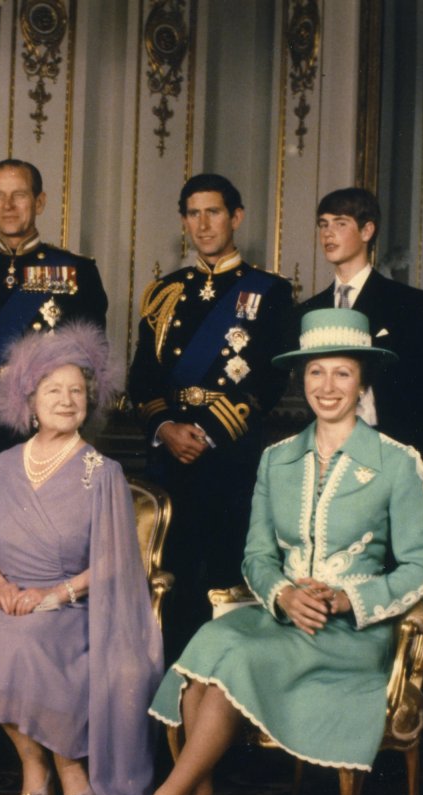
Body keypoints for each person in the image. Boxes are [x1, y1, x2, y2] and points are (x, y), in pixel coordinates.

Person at [113, 308, 423, 795]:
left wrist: (347, 599)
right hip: (281, 617)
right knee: (208, 647)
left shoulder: (397, 462)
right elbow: (257, 556)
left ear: (363, 381)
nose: (327, 386)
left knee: (231, 660)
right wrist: (284, 595)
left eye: (342, 373)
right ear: (301, 379)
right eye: (316, 372)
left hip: (351, 635)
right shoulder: (277, 459)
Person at [0, 323, 163, 795]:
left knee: (29, 645)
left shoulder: (104, 472)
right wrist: (0, 586)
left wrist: (55, 595)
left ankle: (67, 765)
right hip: (8, 602)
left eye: (77, 391)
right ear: (29, 400)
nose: (67, 401)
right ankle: (33, 762)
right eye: (54, 390)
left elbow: (115, 561)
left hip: (76, 607)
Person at [127, 172, 294, 656]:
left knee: (225, 579)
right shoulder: (165, 292)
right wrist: (165, 427)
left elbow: (270, 378)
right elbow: (143, 377)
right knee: (171, 579)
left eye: (213, 212)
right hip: (168, 460)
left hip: (229, 459)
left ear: (236, 217)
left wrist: (205, 432)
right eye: (193, 214)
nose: (202, 224)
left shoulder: (269, 291)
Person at [0, 159, 107, 494]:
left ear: (39, 202)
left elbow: (92, 362)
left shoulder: (76, 272)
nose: (8, 206)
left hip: (42, 423)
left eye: (19, 195)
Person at [299, 187, 423, 458]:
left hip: (391, 449)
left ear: (367, 231)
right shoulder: (309, 310)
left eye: (340, 224)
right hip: (325, 450)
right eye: (323, 224)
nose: (328, 234)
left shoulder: (409, 304)